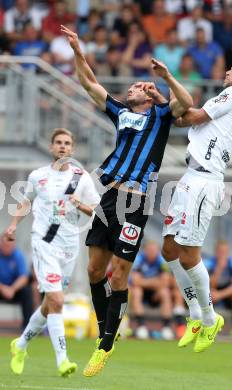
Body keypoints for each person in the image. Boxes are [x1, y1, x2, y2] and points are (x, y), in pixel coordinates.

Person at [60, 24, 192, 376]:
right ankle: (108, 328)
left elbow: (187, 103)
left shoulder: (161, 116)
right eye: (133, 86)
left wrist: (165, 79)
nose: (132, 88)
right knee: (93, 270)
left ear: (148, 97)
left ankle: (104, 344)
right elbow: (89, 82)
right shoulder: (120, 111)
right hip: (109, 198)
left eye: (137, 86)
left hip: (134, 203)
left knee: (119, 275)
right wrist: (77, 50)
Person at [161, 53, 232, 353]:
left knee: (189, 256)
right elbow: (190, 120)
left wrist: (164, 112)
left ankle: (210, 317)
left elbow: (191, 117)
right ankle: (194, 314)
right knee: (169, 249)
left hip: (204, 181)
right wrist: (166, 105)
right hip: (191, 176)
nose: (228, 71)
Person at [5, 128, 100, 377]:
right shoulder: (38, 176)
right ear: (51, 147)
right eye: (58, 142)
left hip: (69, 247)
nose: (62, 146)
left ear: (72, 149)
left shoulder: (82, 178)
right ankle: (62, 360)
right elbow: (26, 202)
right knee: (57, 300)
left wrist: (79, 204)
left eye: (67, 143)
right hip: (45, 242)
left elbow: (97, 211)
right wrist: (13, 224)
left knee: (50, 304)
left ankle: (21, 344)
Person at [130, 240, 174, 340]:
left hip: (156, 294)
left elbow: (166, 282)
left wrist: (144, 281)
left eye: (154, 250)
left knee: (165, 292)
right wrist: (155, 281)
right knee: (136, 291)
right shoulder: (139, 259)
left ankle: (166, 327)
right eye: (149, 250)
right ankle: (141, 327)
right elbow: (135, 281)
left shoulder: (161, 260)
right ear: (144, 251)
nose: (151, 252)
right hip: (142, 292)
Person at [204, 240, 232, 341]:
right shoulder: (209, 263)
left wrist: (220, 295)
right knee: (206, 295)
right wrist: (219, 269)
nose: (222, 254)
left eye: (224, 252)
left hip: (226, 292)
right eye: (220, 252)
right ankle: (207, 327)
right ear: (216, 252)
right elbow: (207, 284)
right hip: (213, 289)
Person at [0, 234, 33, 330]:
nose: (8, 247)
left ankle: (27, 328)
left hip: (14, 290)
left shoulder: (18, 256)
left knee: (27, 291)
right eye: (5, 244)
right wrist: (3, 288)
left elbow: (24, 277)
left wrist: (12, 289)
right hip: (1, 288)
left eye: (10, 245)